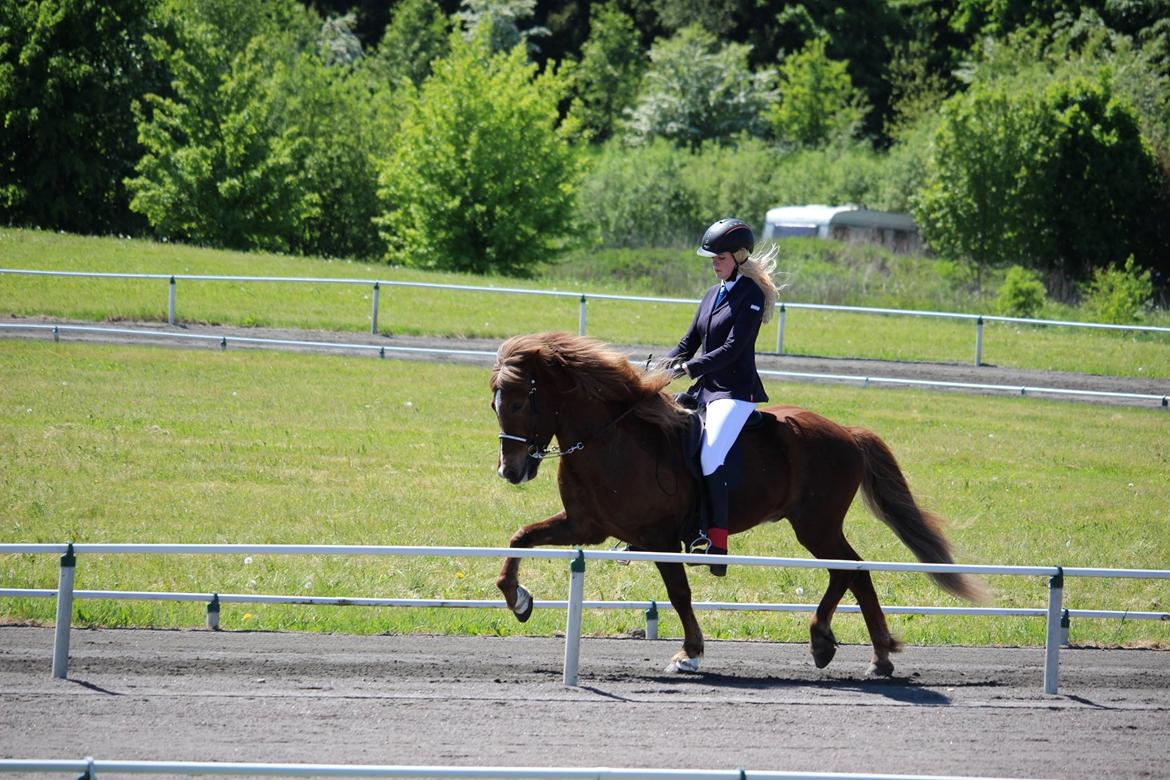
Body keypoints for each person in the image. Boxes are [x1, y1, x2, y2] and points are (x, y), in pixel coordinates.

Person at [665, 218, 781, 576]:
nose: (714, 263)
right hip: (704, 390)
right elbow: (688, 342)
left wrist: (691, 368)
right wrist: (662, 365)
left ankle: (715, 538)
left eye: (720, 258)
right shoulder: (712, 294)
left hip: (734, 392)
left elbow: (734, 348)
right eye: (712, 258)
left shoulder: (751, 296)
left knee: (711, 453)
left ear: (739, 257)